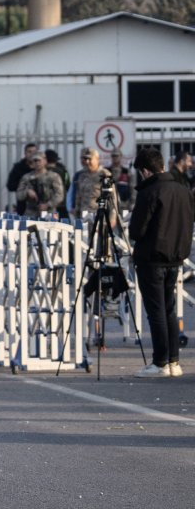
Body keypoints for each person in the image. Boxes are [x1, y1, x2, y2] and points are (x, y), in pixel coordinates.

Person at [128, 148, 194, 378]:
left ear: (145, 171)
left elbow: (137, 230)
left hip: (151, 258)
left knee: (155, 311)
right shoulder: (183, 190)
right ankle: (174, 361)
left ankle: (159, 362)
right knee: (169, 310)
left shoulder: (149, 192)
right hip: (175, 258)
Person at [69, 147, 120, 226]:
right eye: (85, 159)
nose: (87, 162)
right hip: (84, 218)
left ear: (97, 159)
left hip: (100, 218)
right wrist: (76, 216)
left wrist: (112, 218)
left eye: (90, 159)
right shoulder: (82, 176)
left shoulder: (105, 175)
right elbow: (78, 198)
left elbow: (112, 199)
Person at [16, 152, 65, 218]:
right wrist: (27, 192)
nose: (37, 163)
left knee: (52, 228)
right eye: (35, 161)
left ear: (45, 161)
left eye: (39, 160)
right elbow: (19, 194)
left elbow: (59, 195)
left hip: (50, 212)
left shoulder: (54, 177)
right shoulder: (26, 177)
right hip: (31, 213)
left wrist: (47, 205)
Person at [6, 142, 38, 214]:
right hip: (23, 205)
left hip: (40, 206)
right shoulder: (19, 168)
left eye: (34, 152)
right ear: (25, 153)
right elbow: (10, 185)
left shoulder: (41, 168)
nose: (32, 154)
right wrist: (25, 189)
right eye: (29, 152)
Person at [44, 149, 71, 219]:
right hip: (61, 205)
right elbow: (68, 185)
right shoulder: (63, 170)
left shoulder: (43, 172)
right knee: (64, 226)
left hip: (47, 206)